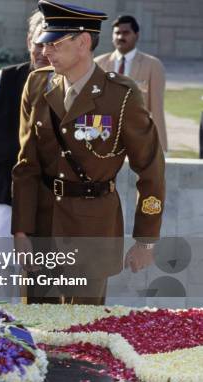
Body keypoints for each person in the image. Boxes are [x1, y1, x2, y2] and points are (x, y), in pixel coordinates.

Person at [12, 0, 165, 305]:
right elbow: (26, 165)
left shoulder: (121, 96)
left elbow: (150, 169)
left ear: (83, 43)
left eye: (54, 44)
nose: (46, 51)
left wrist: (146, 240)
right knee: (37, 328)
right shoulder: (37, 84)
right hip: (43, 226)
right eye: (44, 44)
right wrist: (21, 231)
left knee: (83, 332)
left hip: (93, 229)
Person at [0, 10, 49, 237]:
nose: (44, 52)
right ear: (28, 42)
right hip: (4, 192)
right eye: (39, 43)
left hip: (51, 200)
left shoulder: (74, 87)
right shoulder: (3, 79)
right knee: (0, 269)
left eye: (52, 44)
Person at [95, 15, 168, 151]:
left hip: (138, 138)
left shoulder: (153, 66)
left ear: (137, 35)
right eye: (117, 33)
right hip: (104, 139)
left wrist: (161, 148)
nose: (120, 37)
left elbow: (157, 110)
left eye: (126, 33)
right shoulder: (98, 64)